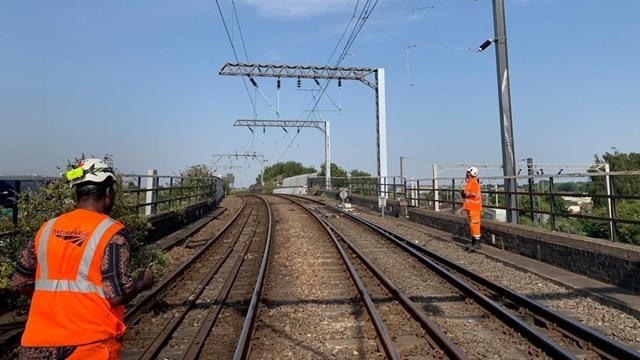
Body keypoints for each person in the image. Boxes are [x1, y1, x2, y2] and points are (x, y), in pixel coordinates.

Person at [11, 158, 154, 360]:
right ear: (108, 193)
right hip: (87, 344)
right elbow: (117, 295)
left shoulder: (47, 228)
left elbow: (19, 283)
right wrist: (143, 282)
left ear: (77, 193)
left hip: (37, 342)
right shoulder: (110, 232)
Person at [460, 166, 483, 252]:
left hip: (474, 208)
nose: (466, 174)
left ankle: (477, 243)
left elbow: (473, 194)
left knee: (475, 224)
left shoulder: (473, 182)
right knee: (472, 225)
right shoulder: (469, 182)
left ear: (472, 173)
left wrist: (465, 195)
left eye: (468, 172)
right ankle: (473, 242)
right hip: (470, 207)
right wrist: (464, 194)